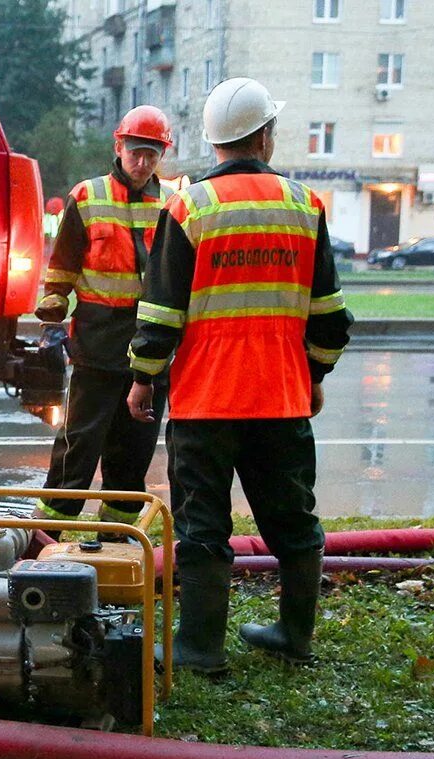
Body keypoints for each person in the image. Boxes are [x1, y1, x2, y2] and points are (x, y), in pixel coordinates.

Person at [127, 78, 352, 673]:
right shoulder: (305, 206)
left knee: (204, 528)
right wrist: (315, 375)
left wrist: (144, 377)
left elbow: (160, 314)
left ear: (215, 142)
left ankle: (200, 648)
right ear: (265, 136)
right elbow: (329, 317)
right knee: (294, 523)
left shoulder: (190, 207)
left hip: (205, 403)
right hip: (282, 400)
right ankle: (295, 634)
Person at [34, 105, 175, 533]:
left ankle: (115, 536)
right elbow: (62, 264)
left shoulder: (173, 203)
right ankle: (47, 534)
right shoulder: (88, 195)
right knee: (79, 445)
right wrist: (53, 310)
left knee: (133, 452)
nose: (143, 162)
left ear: (162, 155)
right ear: (119, 146)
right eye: (136, 151)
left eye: (152, 154)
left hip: (151, 344)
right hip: (97, 343)